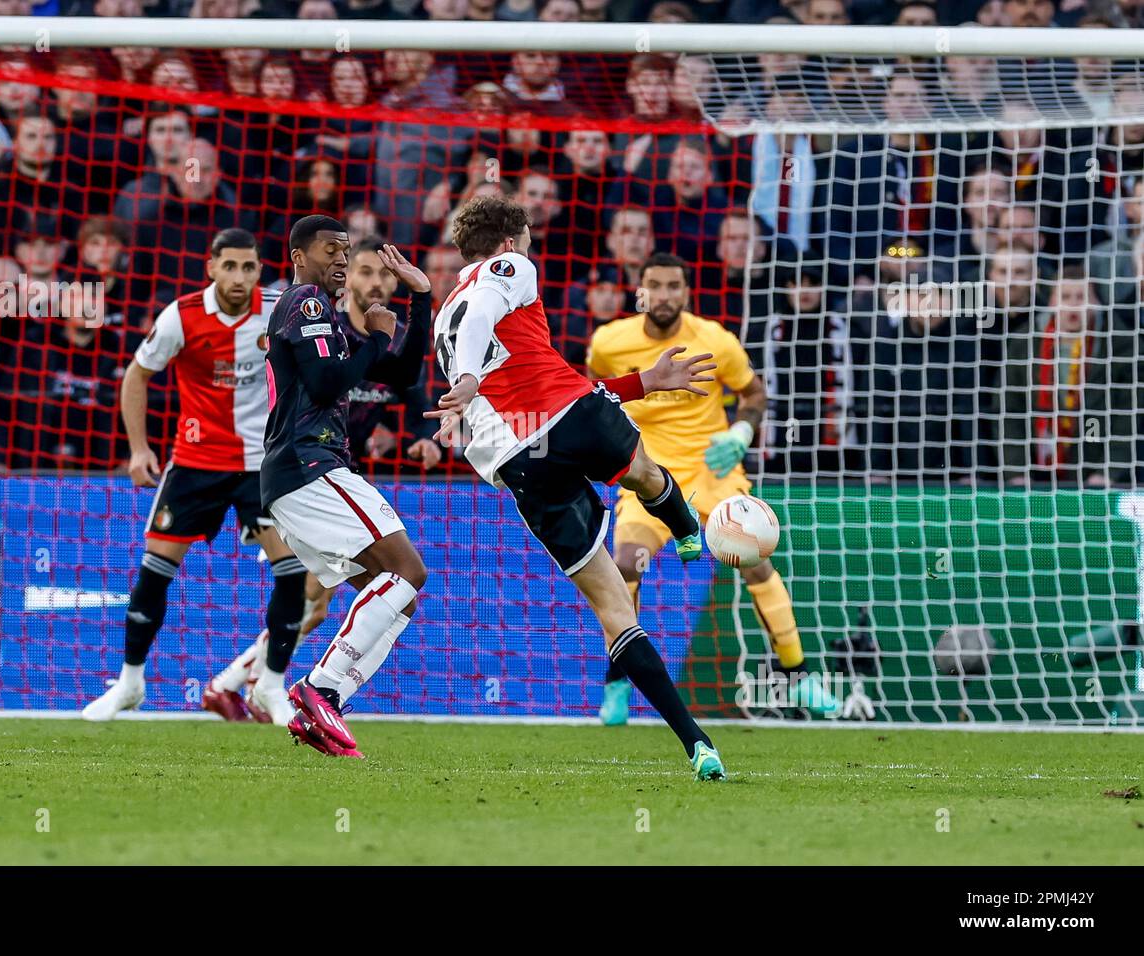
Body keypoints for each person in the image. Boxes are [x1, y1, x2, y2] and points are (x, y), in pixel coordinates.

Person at [428, 195, 729, 780]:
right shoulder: (508, 269)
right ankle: (688, 528)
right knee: (646, 474)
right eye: (530, 236)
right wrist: (467, 379)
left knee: (613, 609)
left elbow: (530, 370)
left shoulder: (443, 316)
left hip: (521, 462)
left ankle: (696, 743)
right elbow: (493, 312)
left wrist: (645, 379)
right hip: (566, 417)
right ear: (510, 242)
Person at [588, 253, 842, 723]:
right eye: (654, 285)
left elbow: (754, 393)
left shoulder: (714, 340)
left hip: (713, 472)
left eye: (673, 286)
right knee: (625, 564)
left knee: (757, 563)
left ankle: (800, 676)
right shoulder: (609, 342)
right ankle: (618, 684)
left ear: (686, 292)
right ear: (638, 289)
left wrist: (739, 434)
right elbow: (593, 392)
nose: (663, 295)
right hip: (647, 472)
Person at [81, 229, 308, 725]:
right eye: (230, 267)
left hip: (261, 466)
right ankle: (130, 683)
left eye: (249, 267)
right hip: (195, 463)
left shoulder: (278, 308)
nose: (240, 277)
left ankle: (270, 684)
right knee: (155, 572)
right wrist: (139, 449)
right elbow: (136, 375)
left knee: (293, 572)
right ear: (211, 267)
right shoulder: (181, 316)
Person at [258, 215, 434, 758]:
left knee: (394, 595)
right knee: (409, 570)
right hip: (309, 465)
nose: (340, 259)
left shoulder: (328, 319)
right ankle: (320, 688)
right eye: (331, 249)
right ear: (298, 257)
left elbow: (404, 375)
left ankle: (326, 703)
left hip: (304, 475)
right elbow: (329, 381)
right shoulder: (304, 302)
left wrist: (419, 300)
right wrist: (376, 336)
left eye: (346, 250)